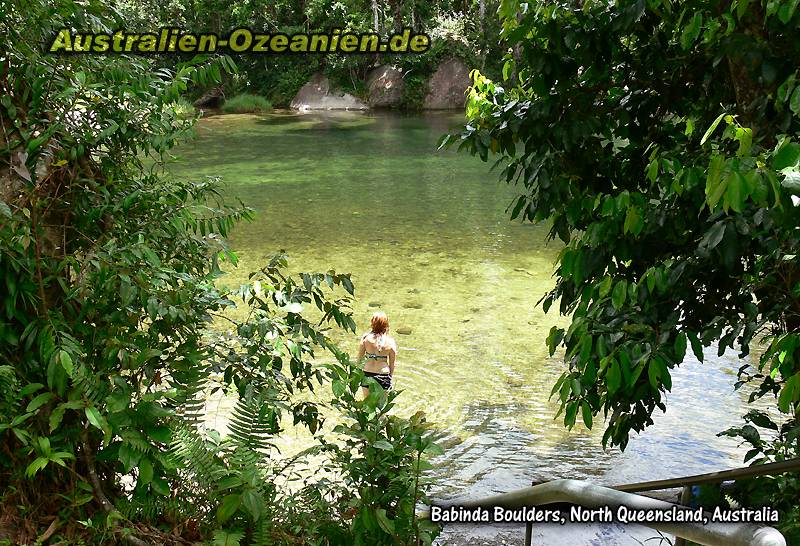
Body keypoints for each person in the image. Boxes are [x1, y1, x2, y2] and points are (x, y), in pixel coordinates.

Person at [357, 311, 397, 396]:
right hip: (383, 374)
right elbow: (392, 363)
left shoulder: (365, 338)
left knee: (367, 404)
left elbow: (360, 358)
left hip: (367, 373)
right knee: (382, 406)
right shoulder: (390, 341)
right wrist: (390, 377)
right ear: (386, 325)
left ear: (372, 323)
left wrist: (358, 374)